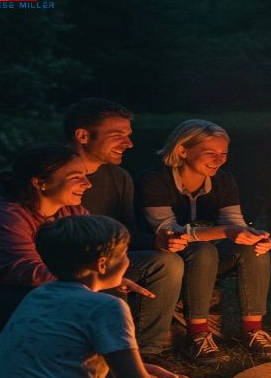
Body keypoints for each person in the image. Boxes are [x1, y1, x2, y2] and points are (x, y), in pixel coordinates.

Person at [0, 215, 233, 378]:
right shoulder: (104, 306)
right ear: (102, 265)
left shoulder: (39, 296)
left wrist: (148, 370)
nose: (128, 260)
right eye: (125, 254)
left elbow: (78, 366)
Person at [136, 119, 271, 363]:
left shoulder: (223, 181)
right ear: (182, 150)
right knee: (203, 250)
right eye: (210, 153)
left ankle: (253, 330)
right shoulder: (154, 180)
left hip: (211, 257)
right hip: (168, 256)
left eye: (223, 153)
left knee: (252, 249)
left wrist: (254, 237)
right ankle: (199, 335)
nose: (219, 159)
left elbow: (234, 223)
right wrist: (226, 232)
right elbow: (170, 232)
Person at [64, 98, 184, 360]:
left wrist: (157, 242)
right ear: (82, 135)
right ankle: (109, 356)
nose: (129, 144)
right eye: (117, 135)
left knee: (166, 262)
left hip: (109, 261)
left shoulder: (119, 178)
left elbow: (126, 234)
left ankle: (147, 354)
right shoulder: (52, 174)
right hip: (64, 267)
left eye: (129, 135)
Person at [0, 145, 91, 331]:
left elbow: (98, 246)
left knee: (129, 277)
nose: (88, 184)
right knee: (62, 298)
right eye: (76, 177)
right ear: (40, 182)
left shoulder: (72, 211)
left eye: (85, 175)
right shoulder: (5, 218)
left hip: (46, 284)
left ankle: (133, 353)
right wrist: (89, 282)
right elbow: (29, 272)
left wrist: (111, 272)